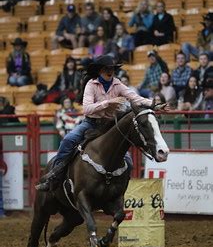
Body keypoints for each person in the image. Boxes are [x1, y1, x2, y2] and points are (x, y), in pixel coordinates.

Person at [35, 54, 169, 191]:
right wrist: (108, 103)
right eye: (106, 69)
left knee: (127, 160)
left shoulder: (117, 84)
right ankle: (54, 177)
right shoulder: (91, 85)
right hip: (91, 123)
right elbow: (87, 109)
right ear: (100, 71)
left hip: (110, 125)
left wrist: (154, 105)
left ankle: (120, 188)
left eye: (111, 68)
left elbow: (134, 97)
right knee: (68, 140)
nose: (110, 71)